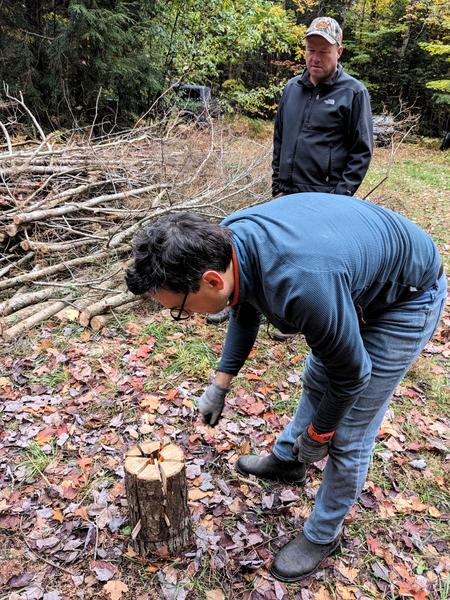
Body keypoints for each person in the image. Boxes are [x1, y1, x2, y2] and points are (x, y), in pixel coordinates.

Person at [125, 194, 446, 582]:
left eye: (182, 308)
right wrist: (220, 383)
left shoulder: (302, 284)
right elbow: (244, 305)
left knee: (350, 431)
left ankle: (323, 534)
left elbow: (353, 375)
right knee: (316, 378)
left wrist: (320, 432)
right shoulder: (228, 243)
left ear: (211, 280)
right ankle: (289, 461)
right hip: (347, 279)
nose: (185, 316)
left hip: (406, 299)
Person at [272, 16, 373, 197]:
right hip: (286, 194)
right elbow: (280, 138)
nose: (315, 58)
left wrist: (339, 196)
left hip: (325, 197)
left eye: (324, 52)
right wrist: (277, 184)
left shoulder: (353, 93)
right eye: (311, 50)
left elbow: (361, 152)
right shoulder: (291, 88)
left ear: (339, 52)